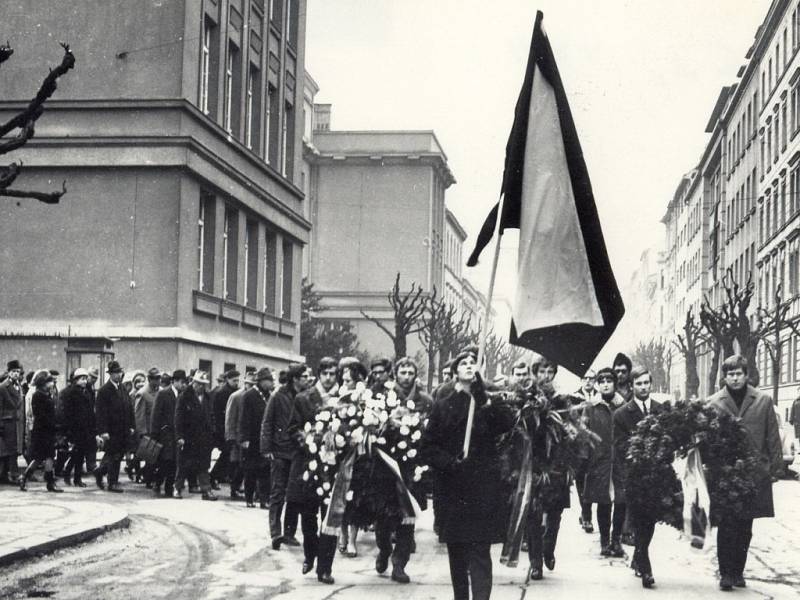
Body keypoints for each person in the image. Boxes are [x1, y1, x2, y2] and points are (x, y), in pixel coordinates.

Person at [422, 348, 514, 600]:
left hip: (482, 488)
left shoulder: (486, 402)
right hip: (453, 488)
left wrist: (486, 400)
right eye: (464, 363)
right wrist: (450, 463)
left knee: (480, 551)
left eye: (474, 363)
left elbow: (507, 424)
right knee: (457, 551)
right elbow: (428, 447)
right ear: (454, 372)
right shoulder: (443, 406)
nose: (470, 366)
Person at [707, 355, 783, 591]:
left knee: (745, 526)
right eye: (730, 374)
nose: (735, 378)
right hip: (725, 473)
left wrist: (774, 468)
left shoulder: (763, 400)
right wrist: (710, 466)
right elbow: (707, 440)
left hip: (753, 473)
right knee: (726, 523)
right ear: (724, 377)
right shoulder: (713, 402)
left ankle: (738, 571)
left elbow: (772, 436)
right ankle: (726, 573)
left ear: (746, 374)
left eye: (739, 373)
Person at [613, 366, 665, 589]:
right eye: (639, 384)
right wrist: (642, 448)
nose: (643, 387)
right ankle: (646, 569)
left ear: (650, 384)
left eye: (646, 383)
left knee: (650, 521)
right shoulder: (622, 414)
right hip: (634, 475)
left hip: (657, 475)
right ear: (632, 386)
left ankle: (638, 556)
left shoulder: (661, 410)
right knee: (639, 520)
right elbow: (620, 445)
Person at [262, 362, 310, 549]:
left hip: (298, 451)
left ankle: (289, 533)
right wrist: (266, 449)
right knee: (278, 492)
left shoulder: (306, 397)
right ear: (295, 378)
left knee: (295, 494)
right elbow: (267, 423)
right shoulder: (278, 396)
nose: (308, 380)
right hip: (280, 451)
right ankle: (276, 533)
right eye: (304, 376)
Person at [581, 367, 626, 547]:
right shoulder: (591, 407)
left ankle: (616, 539)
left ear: (615, 383)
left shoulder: (623, 406)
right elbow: (584, 432)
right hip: (599, 460)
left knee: (621, 500)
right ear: (598, 385)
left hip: (620, 460)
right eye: (602, 382)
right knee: (603, 501)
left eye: (609, 381)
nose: (605, 385)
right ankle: (604, 541)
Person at [175, 370, 217, 501]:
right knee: (183, 465)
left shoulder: (208, 398)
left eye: (204, 384)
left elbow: (212, 417)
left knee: (204, 465)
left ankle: (206, 490)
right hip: (188, 437)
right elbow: (178, 418)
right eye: (199, 384)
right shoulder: (184, 397)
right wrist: (179, 436)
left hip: (204, 438)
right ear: (194, 383)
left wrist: (212, 432)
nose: (202, 387)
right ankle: (178, 488)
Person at [94, 360, 135, 493]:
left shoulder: (122, 388)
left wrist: (131, 425)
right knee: (114, 456)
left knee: (116, 454)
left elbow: (129, 408)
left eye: (119, 372)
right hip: (111, 430)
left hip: (123, 429)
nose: (118, 375)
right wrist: (103, 431)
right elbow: (100, 413)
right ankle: (113, 482)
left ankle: (100, 472)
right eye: (116, 372)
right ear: (110, 374)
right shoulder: (104, 391)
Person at [18, 371, 62, 492]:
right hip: (43, 431)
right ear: (43, 383)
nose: (52, 383)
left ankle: (48, 481)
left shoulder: (46, 394)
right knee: (41, 457)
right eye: (50, 381)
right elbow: (42, 415)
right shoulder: (38, 395)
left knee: (48, 456)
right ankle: (27, 477)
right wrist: (54, 425)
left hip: (47, 431)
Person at [239, 367, 274, 508]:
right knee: (250, 471)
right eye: (269, 381)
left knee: (265, 471)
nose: (272, 384)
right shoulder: (249, 396)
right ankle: (249, 498)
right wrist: (244, 438)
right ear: (262, 381)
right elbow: (243, 419)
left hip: (264, 440)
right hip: (251, 439)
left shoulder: (269, 396)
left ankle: (264, 500)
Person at [150, 369, 185, 498]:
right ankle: (158, 482)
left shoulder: (182, 395)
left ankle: (169, 487)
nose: (183, 385)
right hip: (165, 434)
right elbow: (155, 415)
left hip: (176, 434)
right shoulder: (164, 394)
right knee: (166, 461)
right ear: (174, 381)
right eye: (181, 382)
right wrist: (154, 434)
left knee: (174, 462)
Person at [60, 368, 96, 487]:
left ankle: (72, 475)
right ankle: (75, 477)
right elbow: (68, 413)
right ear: (75, 380)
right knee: (78, 453)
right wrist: (69, 430)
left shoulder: (87, 391)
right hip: (76, 428)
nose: (84, 381)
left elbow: (90, 411)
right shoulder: (71, 393)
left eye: (85, 379)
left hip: (86, 428)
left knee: (79, 454)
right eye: (82, 379)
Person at [226, 371, 253, 500]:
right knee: (237, 465)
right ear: (245, 383)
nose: (251, 387)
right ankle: (234, 489)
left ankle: (240, 488)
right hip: (237, 437)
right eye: (249, 384)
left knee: (246, 465)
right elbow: (230, 418)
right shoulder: (236, 396)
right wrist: (230, 436)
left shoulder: (254, 396)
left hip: (249, 437)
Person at [210, 369, 240, 488]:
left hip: (229, 429)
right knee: (226, 455)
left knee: (228, 455)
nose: (237, 383)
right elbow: (218, 414)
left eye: (238, 380)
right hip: (223, 429)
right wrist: (221, 430)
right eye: (234, 380)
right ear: (227, 379)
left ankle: (220, 476)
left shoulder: (235, 391)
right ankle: (213, 477)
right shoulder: (222, 393)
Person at [133, 367, 160, 487]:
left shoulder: (160, 391)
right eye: (155, 378)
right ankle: (147, 479)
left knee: (154, 456)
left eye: (159, 378)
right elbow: (139, 415)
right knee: (149, 457)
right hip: (147, 430)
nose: (158, 381)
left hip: (158, 430)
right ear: (149, 379)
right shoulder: (142, 393)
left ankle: (145, 475)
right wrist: (142, 432)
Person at [0, 359, 25, 483]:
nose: (16, 374)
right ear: (8, 372)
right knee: (9, 450)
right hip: (7, 422)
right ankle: (12, 475)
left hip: (17, 423)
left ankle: (9, 475)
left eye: (18, 372)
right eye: (13, 371)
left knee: (14, 450)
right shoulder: (3, 387)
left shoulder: (18, 385)